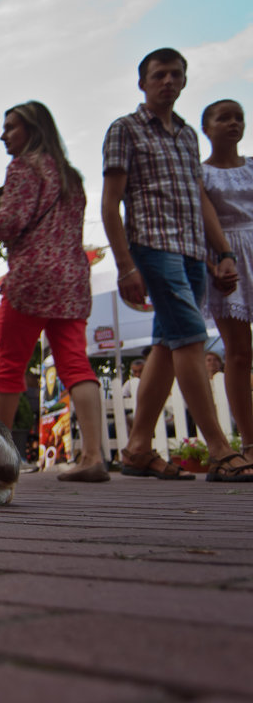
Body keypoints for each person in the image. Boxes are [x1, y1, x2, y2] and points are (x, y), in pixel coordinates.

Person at [101, 48, 253, 481]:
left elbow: (199, 200)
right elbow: (111, 203)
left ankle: (136, 448)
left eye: (175, 74)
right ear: (142, 83)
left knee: (167, 347)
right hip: (151, 246)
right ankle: (221, 450)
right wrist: (126, 264)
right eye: (158, 74)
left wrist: (220, 253)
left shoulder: (187, 135)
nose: (167, 81)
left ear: (184, 81)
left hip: (192, 250)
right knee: (190, 338)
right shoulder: (124, 129)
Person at [0, 101, 107, 482]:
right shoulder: (71, 176)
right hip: (71, 277)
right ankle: (92, 456)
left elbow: (8, 224)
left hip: (31, 278)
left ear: (32, 130)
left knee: (9, 364)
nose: (3, 135)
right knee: (75, 363)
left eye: (10, 127)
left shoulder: (23, 168)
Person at [200, 98, 253, 461]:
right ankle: (249, 443)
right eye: (224, 118)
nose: (233, 123)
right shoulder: (200, 174)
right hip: (224, 259)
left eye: (239, 117)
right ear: (207, 127)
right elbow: (201, 222)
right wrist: (214, 263)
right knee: (238, 353)